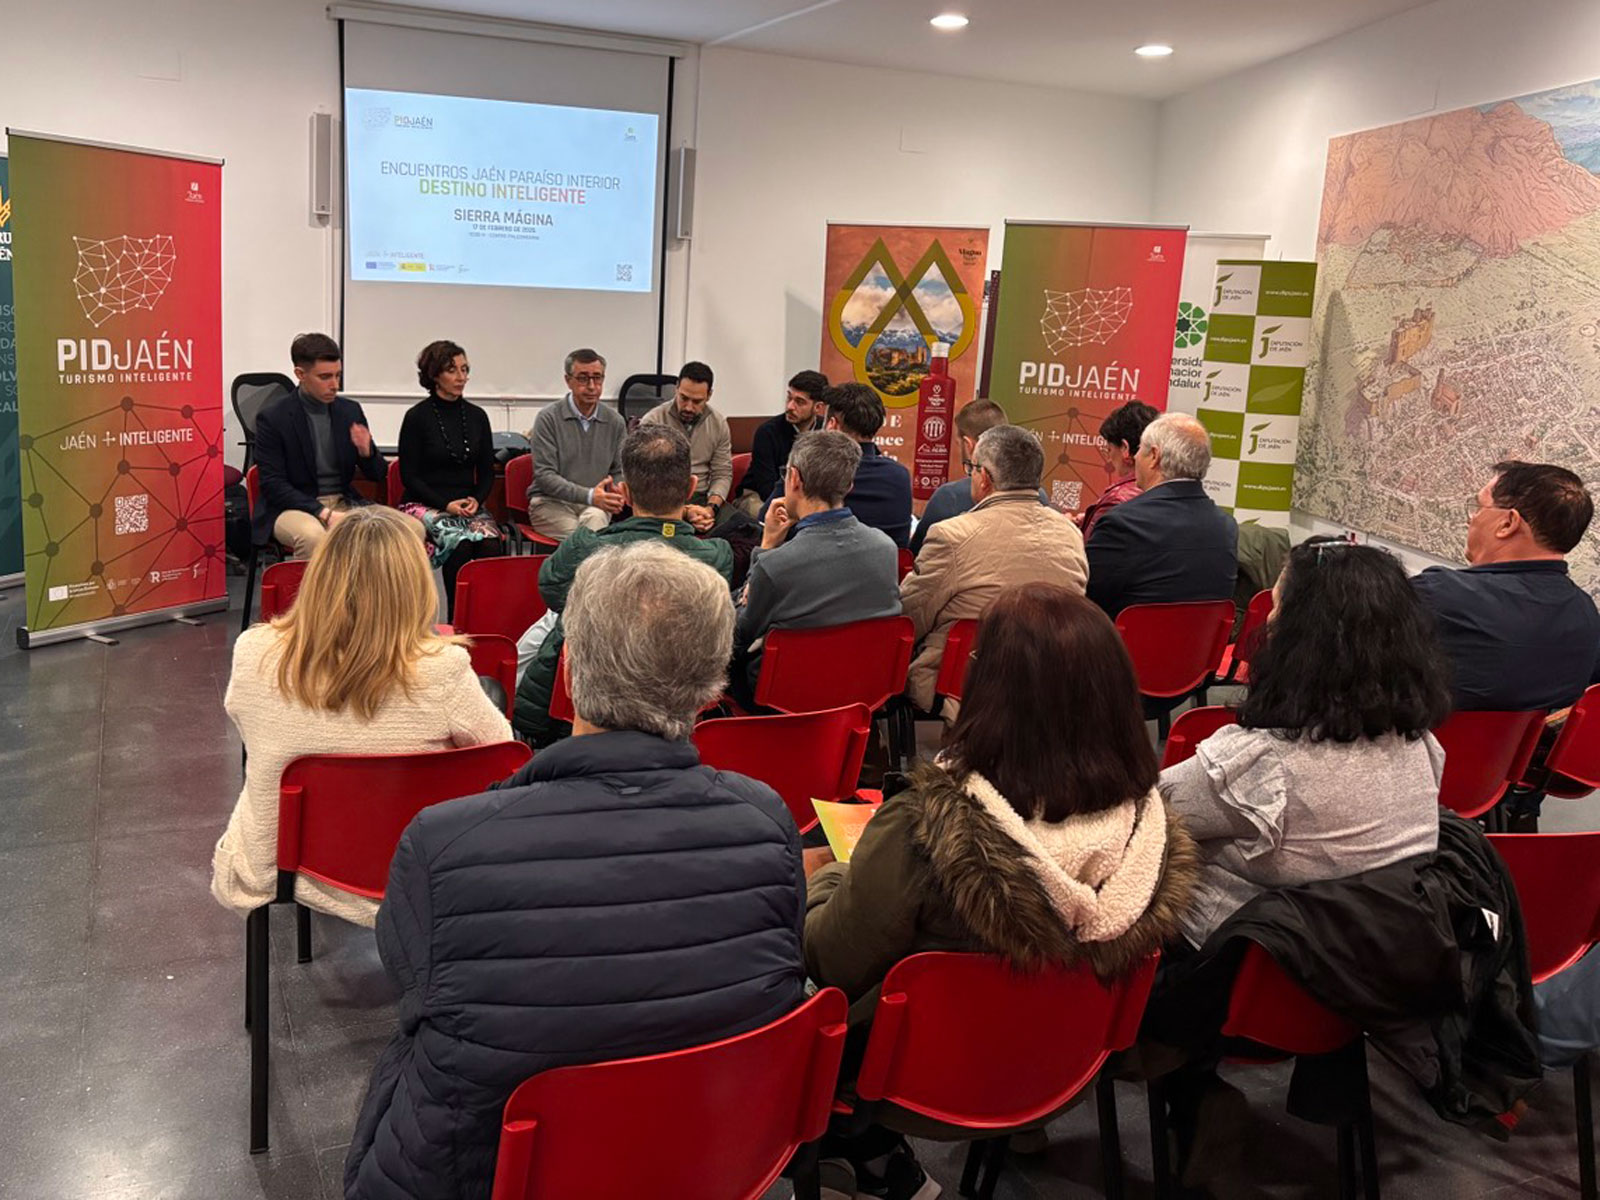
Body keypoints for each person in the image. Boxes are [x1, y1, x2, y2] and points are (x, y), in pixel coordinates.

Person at [344, 541, 807, 1200]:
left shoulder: (443, 846)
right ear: (712, 689)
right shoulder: (768, 823)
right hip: (704, 1157)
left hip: (482, 1174)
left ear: (565, 675)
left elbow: (410, 985)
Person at [804, 582, 1197, 1198]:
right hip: (1062, 1076)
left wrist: (829, 877)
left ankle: (860, 1158)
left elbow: (831, 959)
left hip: (909, 1082)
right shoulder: (1149, 840)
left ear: (988, 690)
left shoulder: (921, 829)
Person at [212, 507, 511, 927]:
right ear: (415, 583)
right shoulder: (443, 669)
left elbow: (246, 723)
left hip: (287, 861)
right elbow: (503, 759)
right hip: (412, 866)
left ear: (319, 576)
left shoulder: (255, 652)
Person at [1159, 537, 1452, 949]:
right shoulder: (1421, 748)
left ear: (1299, 637)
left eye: (1277, 607)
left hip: (1236, 969)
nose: (1268, 621)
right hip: (1371, 963)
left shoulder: (1257, 765)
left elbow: (1142, 816)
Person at [512, 425, 734, 746]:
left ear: (625, 494)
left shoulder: (584, 550)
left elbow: (551, 588)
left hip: (584, 717)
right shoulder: (715, 560)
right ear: (691, 489)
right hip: (675, 718)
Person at [900, 424, 1088, 715]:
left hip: (963, 686)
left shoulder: (951, 536)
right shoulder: (1071, 534)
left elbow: (909, 618)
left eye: (971, 468)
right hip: (1050, 683)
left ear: (984, 478)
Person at [1413, 461, 1600, 713]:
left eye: (1478, 507)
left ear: (1508, 523)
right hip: (1518, 753)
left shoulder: (1439, 595)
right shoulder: (1586, 616)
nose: (1472, 518)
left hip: (1433, 750)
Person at [734, 430, 901, 703]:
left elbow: (740, 637)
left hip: (781, 700)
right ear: (848, 486)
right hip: (858, 692)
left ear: (794, 478)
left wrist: (766, 546)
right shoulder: (886, 549)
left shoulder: (776, 566)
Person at [252, 333, 415, 559]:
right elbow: (273, 484)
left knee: (410, 528)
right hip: (293, 507)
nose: (335, 385)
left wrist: (366, 451)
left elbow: (378, 474)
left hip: (344, 502)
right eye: (325, 377)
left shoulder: (349, 411)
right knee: (313, 538)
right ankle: (316, 596)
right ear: (300, 374)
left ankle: (380, 595)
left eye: (338, 375)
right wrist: (323, 513)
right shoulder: (273, 418)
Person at [1085, 412, 1237, 617]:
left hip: (1123, 647)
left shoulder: (1122, 524)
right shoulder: (1227, 527)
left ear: (1155, 456)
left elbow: (1084, 602)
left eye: (1140, 449)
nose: (1136, 456)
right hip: (1197, 648)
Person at [395, 340, 506, 617]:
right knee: (460, 544)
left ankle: (484, 617)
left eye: (465, 369)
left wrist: (476, 500)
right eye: (452, 370)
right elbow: (409, 476)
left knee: (491, 543)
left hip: (467, 505)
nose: (461, 377)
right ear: (434, 375)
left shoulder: (477, 416)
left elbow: (486, 471)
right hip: (425, 502)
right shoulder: (416, 417)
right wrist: (446, 504)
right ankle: (458, 619)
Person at [760, 382, 913, 548]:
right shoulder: (900, 476)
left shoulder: (810, 472)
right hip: (885, 570)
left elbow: (766, 521)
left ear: (832, 425)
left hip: (810, 568)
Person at [909, 399, 1048, 556]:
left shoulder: (949, 497)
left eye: (957, 443)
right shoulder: (1038, 497)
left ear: (969, 445)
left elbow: (917, 556)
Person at [525, 348, 627, 540]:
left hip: (595, 504)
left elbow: (619, 471)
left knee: (593, 525)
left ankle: (578, 569)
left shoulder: (615, 422)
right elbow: (545, 476)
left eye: (597, 378)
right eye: (583, 378)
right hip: (550, 503)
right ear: (568, 380)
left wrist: (616, 489)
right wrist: (589, 495)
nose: (591, 386)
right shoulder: (548, 418)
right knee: (584, 541)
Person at [639, 361, 732, 532]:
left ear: (709, 395)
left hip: (703, 498)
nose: (689, 407)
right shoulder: (653, 422)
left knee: (744, 529)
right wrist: (685, 512)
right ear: (676, 389)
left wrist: (710, 509)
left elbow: (722, 474)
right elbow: (645, 480)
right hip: (663, 502)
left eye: (697, 401)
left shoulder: (718, 423)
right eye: (684, 398)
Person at [735, 369, 828, 516]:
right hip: (758, 496)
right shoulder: (767, 432)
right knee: (772, 515)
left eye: (799, 402)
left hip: (806, 500)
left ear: (818, 407)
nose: (790, 406)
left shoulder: (826, 432)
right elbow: (766, 488)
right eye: (789, 398)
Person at [1078, 400, 1160, 540]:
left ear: (1125, 448)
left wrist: (1068, 531)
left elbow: (1091, 555)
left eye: (1108, 449)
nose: (1109, 458)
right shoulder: (1166, 491)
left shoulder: (1116, 501)